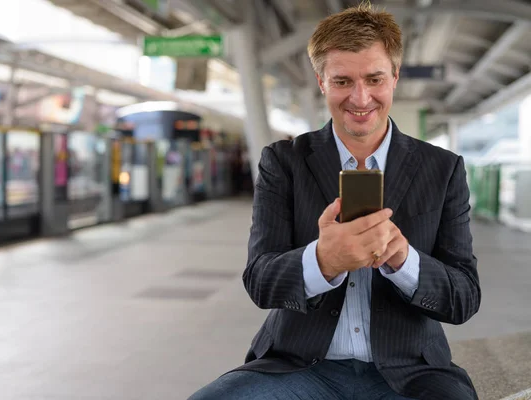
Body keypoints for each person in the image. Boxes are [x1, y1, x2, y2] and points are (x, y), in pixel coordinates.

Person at [189, 3, 481, 400]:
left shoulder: (443, 168)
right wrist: (323, 261)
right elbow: (260, 280)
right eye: (342, 81)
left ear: (394, 77)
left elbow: (464, 297)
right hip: (299, 367)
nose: (360, 98)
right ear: (322, 82)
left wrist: (403, 260)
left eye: (374, 79)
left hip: (411, 372)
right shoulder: (283, 162)